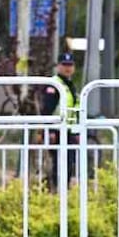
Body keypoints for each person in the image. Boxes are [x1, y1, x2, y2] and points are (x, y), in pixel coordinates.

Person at [39, 52, 80, 192]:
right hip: (57, 130)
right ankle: (56, 189)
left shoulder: (69, 85)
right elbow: (47, 109)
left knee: (69, 161)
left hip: (69, 130)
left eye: (70, 65)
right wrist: (49, 130)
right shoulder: (54, 84)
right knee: (60, 161)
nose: (68, 68)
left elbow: (74, 109)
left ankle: (64, 188)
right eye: (64, 65)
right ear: (58, 66)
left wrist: (77, 130)